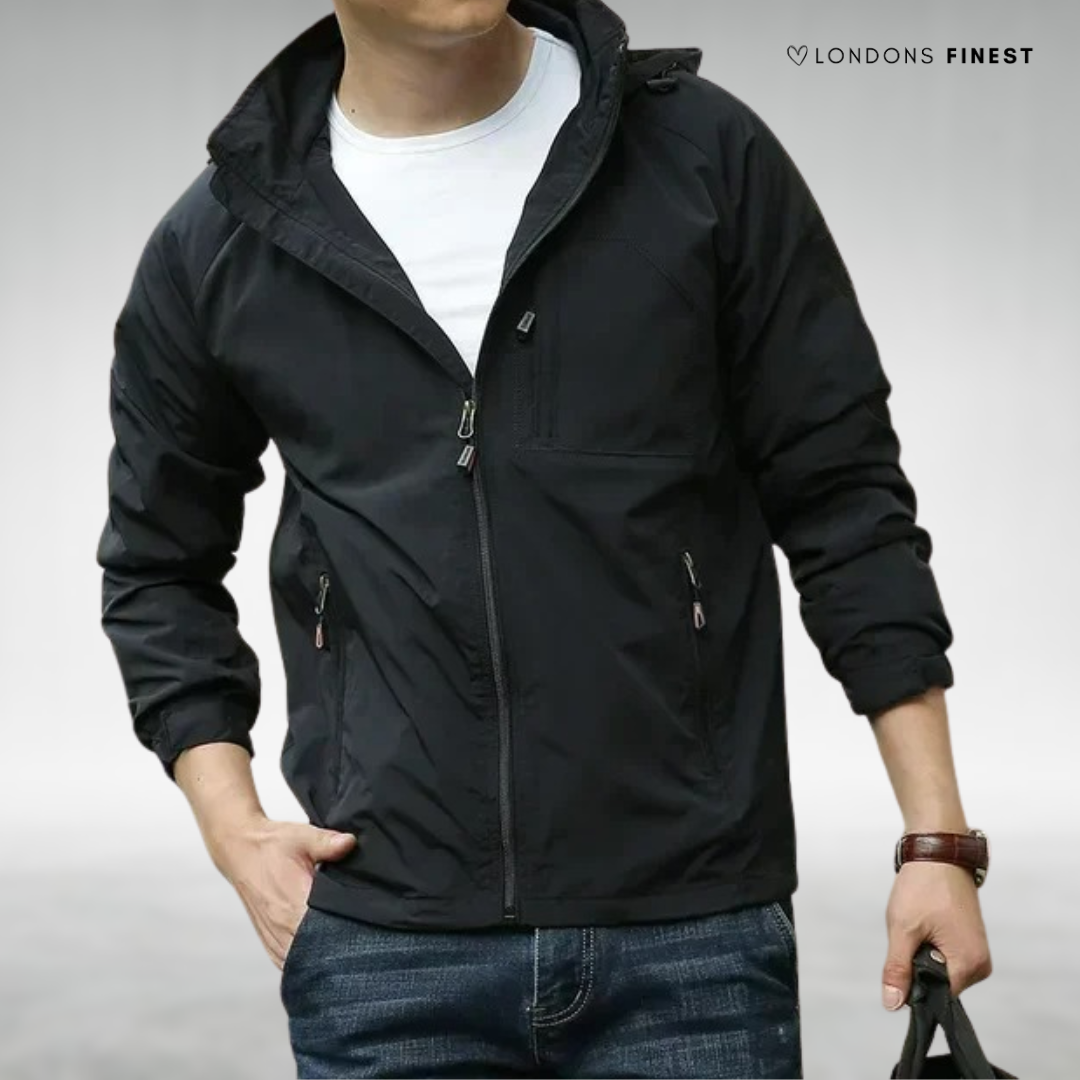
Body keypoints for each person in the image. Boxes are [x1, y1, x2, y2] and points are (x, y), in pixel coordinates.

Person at [96, 0, 993, 1076]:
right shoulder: (223, 237)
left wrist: (938, 840)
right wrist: (233, 830)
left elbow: (844, 498)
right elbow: (156, 567)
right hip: (391, 955)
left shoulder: (702, 158)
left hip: (691, 941)